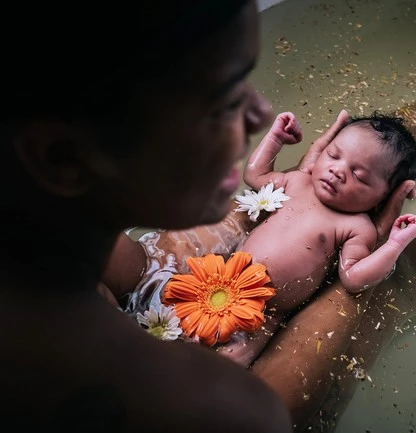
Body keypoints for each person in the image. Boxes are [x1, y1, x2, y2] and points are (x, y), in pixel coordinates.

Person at [103, 39, 416, 432]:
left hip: (175, 294)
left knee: (313, 183)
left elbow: (260, 177)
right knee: (384, 285)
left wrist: (295, 157)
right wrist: (387, 244)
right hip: (238, 364)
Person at [1, 1, 295, 431]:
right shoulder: (221, 411)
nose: (261, 113)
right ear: (64, 157)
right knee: (337, 286)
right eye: (227, 100)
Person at [165, 111, 416, 365]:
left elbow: (353, 278)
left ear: (382, 199)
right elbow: (255, 176)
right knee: (177, 317)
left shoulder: (356, 226)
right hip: (225, 278)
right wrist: (275, 139)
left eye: (360, 176)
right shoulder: (298, 181)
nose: (337, 170)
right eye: (333, 155)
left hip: (270, 311)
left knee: (230, 360)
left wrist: (394, 244)